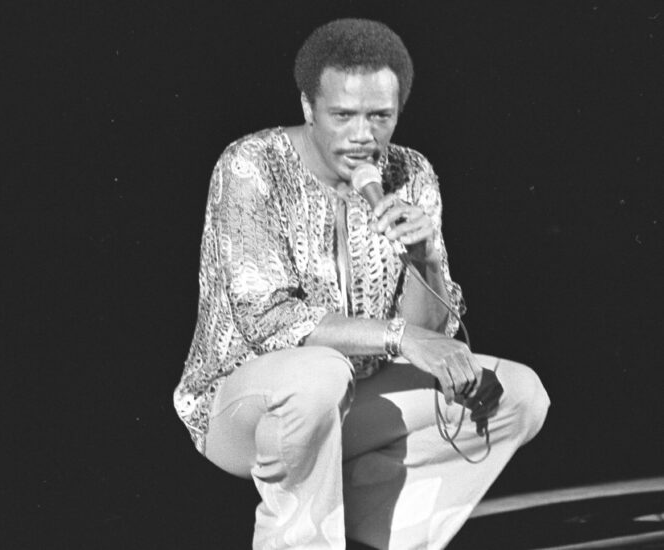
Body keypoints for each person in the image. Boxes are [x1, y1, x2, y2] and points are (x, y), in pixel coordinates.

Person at [174, 18, 550, 550]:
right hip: (243, 411)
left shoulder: (411, 173)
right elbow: (267, 322)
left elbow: (431, 336)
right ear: (308, 107)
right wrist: (400, 337)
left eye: (380, 116)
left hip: (351, 401)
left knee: (518, 395)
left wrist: (427, 258)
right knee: (317, 373)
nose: (362, 135)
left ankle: (377, 537)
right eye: (343, 115)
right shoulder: (251, 166)